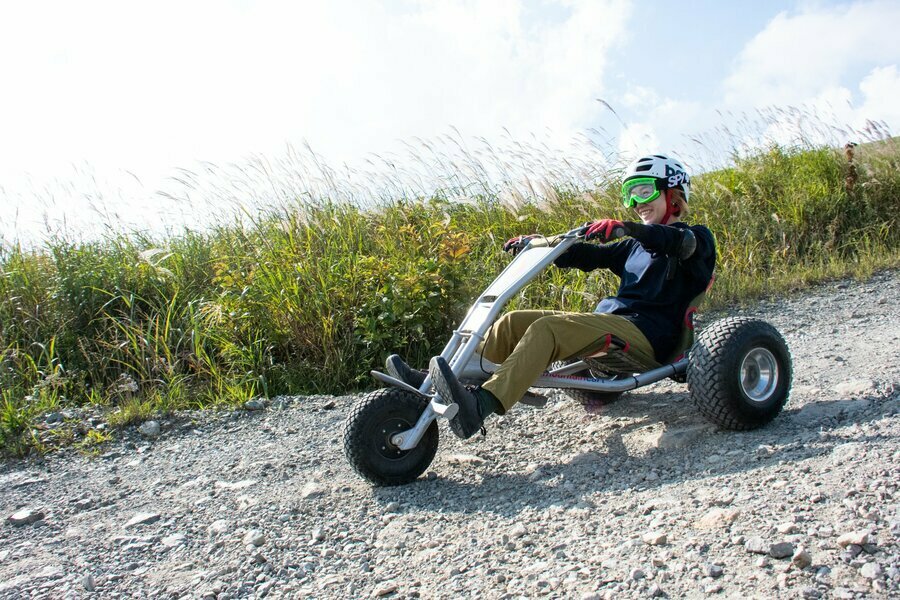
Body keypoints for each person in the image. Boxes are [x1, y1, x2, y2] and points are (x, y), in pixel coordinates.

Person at [388, 154, 716, 440]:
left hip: (650, 336)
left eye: (644, 190)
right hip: (613, 325)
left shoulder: (697, 239)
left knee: (548, 329)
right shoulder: (632, 247)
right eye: (630, 194)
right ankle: (439, 381)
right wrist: (544, 245)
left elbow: (677, 242)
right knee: (514, 320)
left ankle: (480, 406)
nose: (637, 202)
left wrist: (627, 227)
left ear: (673, 194)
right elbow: (588, 257)